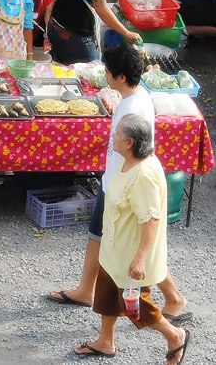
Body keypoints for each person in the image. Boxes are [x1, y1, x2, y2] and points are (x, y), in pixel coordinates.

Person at [48, 44, 191, 333]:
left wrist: (121, 184)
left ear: (121, 77)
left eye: (109, 73)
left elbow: (138, 151)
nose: (106, 76)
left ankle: (173, 303)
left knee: (127, 250)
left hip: (121, 185)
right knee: (98, 237)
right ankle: (87, 291)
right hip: (114, 182)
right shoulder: (135, 98)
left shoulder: (133, 107)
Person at [72, 114, 190, 364]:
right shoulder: (130, 161)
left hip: (129, 254)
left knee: (136, 306)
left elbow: (151, 219)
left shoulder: (143, 174)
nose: (112, 137)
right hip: (115, 248)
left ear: (130, 143)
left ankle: (175, 335)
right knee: (105, 294)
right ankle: (105, 341)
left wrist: (140, 259)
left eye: (117, 134)